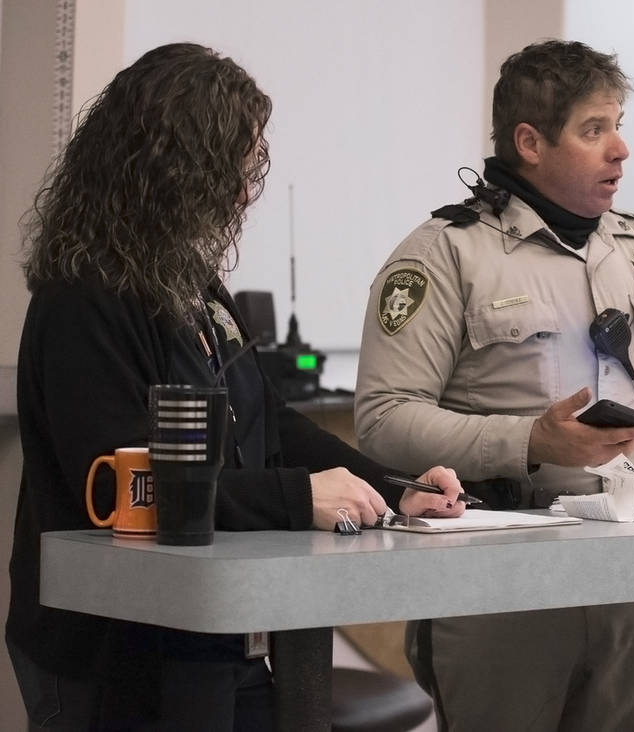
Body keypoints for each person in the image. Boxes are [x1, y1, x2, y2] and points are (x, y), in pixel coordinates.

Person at [354, 39, 634, 731]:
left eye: (619, 125)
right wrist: (529, 443)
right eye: (594, 130)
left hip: (632, 581)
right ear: (530, 142)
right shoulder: (447, 252)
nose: (620, 149)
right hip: (498, 580)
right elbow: (383, 418)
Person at [7, 43, 464, 731]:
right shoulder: (83, 300)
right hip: (112, 655)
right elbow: (130, 488)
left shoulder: (188, 284)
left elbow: (267, 421)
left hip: (213, 639)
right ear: (176, 167)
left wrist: (395, 487)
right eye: (237, 167)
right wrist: (297, 496)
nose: (247, 189)